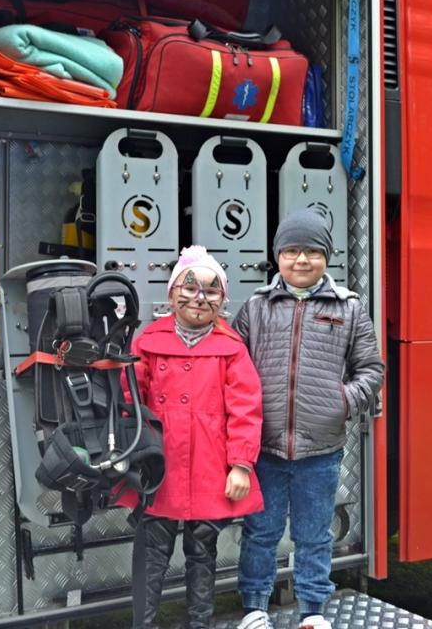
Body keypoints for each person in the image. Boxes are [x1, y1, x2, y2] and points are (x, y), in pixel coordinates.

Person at [233, 207, 384, 629]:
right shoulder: (257, 307)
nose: (302, 260)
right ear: (278, 256)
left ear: (326, 257)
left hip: (321, 451)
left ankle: (313, 611)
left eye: (313, 252)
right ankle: (254, 608)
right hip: (263, 448)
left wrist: (342, 402)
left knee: (314, 535)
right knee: (260, 532)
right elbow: (232, 367)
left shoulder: (349, 308)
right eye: (292, 251)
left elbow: (371, 370)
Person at [121, 245, 264, 629]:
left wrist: (241, 465)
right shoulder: (147, 341)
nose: (199, 298)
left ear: (222, 299)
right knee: (151, 552)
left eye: (211, 290)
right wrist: (132, 456)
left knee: (202, 551)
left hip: (209, 468)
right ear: (171, 295)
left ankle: (200, 624)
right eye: (189, 288)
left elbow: (246, 409)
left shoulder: (232, 349)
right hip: (159, 468)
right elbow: (129, 401)